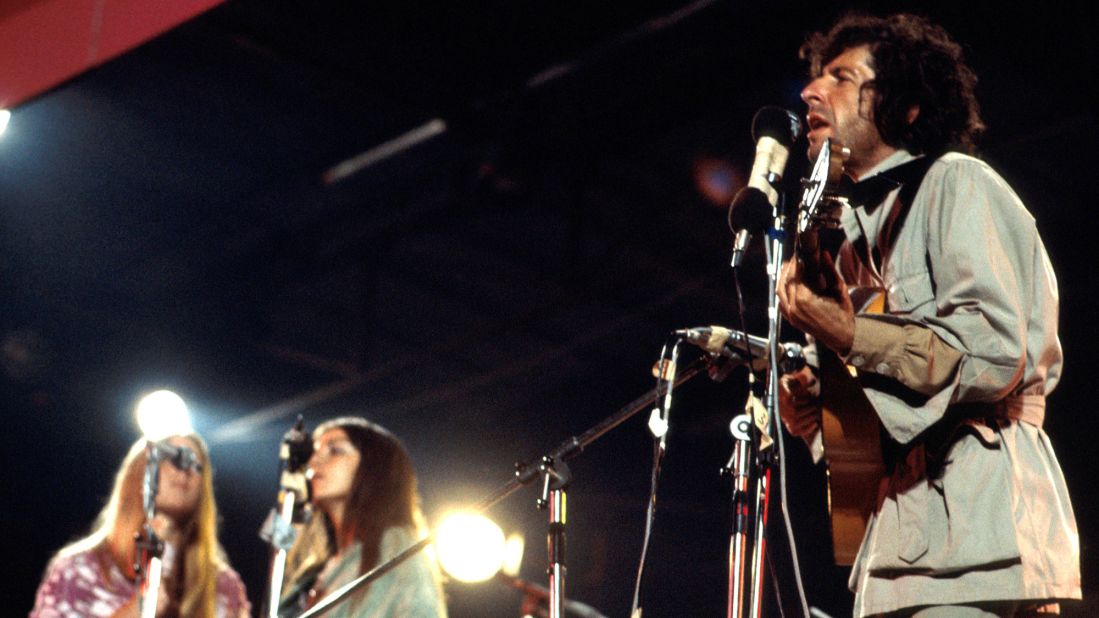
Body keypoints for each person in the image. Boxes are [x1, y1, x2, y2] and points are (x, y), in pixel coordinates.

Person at [775, 13, 1081, 617]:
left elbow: (991, 353)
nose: (811, 91)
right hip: (900, 555)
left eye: (841, 76)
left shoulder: (956, 183)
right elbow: (884, 423)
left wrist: (847, 332)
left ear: (906, 106)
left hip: (979, 537)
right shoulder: (855, 238)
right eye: (816, 78)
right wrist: (817, 417)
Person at [30, 434, 251, 617]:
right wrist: (137, 610)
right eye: (174, 458)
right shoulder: (78, 568)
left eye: (197, 466)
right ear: (141, 470)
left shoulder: (223, 585)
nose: (186, 470)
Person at [278, 416, 447, 617]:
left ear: (374, 467)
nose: (314, 461)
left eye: (335, 451)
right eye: (314, 451)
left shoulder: (397, 546)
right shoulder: (317, 569)